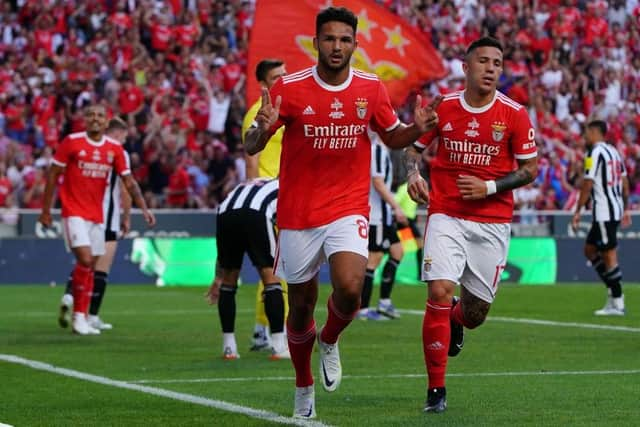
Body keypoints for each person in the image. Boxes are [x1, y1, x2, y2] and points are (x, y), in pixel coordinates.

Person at [245, 6, 440, 419]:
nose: (337, 46)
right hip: (298, 212)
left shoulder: (370, 88)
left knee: (350, 289)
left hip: (348, 206)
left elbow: (392, 136)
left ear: (355, 44)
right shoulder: (289, 88)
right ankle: (303, 386)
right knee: (300, 306)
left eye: (345, 40)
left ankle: (330, 339)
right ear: (316, 43)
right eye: (330, 39)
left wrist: (418, 129)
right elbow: (252, 145)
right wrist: (260, 128)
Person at [404, 37, 538, 413]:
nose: (491, 68)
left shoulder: (514, 113)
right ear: (466, 67)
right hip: (446, 212)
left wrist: (490, 187)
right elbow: (412, 149)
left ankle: (458, 320)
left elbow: (530, 169)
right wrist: (413, 174)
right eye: (483, 61)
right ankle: (436, 392)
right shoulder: (444, 106)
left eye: (497, 62)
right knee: (439, 291)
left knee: (476, 314)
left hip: (492, 221)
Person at [40, 105, 155, 335]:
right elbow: (53, 175)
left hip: (98, 216)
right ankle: (80, 316)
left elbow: (129, 182)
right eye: (91, 115)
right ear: (85, 120)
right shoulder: (71, 142)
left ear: (105, 123)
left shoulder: (114, 150)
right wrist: (46, 211)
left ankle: (79, 315)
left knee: (90, 264)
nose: (95, 119)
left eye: (100, 116)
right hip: (73, 212)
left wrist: (144, 208)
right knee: (85, 258)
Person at [57, 117, 133, 331]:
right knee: (100, 269)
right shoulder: (118, 152)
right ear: (117, 134)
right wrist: (127, 215)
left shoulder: (84, 147)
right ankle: (90, 315)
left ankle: (70, 296)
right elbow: (126, 188)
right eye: (124, 136)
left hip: (82, 212)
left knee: (85, 262)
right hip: (107, 217)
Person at [207, 178, 289, 360]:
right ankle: (279, 346)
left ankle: (229, 348)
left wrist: (217, 277)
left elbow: (222, 256)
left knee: (228, 280)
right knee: (271, 278)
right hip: (256, 213)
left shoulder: (249, 183)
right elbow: (288, 227)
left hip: (225, 212)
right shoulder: (289, 186)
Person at [242, 58, 288, 352]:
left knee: (278, 265)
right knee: (275, 266)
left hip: (287, 194)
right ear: (264, 84)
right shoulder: (257, 114)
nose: (283, 79)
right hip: (267, 198)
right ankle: (271, 329)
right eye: (277, 76)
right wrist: (253, 194)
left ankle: (263, 328)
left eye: (285, 74)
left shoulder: (286, 112)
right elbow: (251, 157)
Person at [571, 120, 630, 316]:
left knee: (608, 254)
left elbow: (588, 184)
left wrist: (578, 210)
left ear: (596, 132)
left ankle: (618, 301)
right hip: (613, 208)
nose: (585, 136)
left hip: (605, 211)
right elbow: (624, 182)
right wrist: (626, 207)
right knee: (589, 250)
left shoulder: (593, 153)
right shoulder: (614, 152)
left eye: (587, 132)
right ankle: (613, 294)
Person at [358, 130, 406, 321]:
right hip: (376, 214)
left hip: (384, 215)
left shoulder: (381, 149)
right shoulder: (376, 149)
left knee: (397, 251)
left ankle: (384, 302)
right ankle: (362, 309)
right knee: (374, 258)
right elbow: (377, 182)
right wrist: (396, 206)